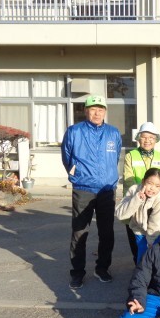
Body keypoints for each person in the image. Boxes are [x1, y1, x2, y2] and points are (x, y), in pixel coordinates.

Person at [61, 95, 122, 289]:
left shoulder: (113, 133)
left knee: (107, 232)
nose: (97, 113)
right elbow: (66, 157)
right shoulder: (74, 131)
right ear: (86, 111)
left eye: (100, 109)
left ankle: (102, 268)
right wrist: (77, 175)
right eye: (93, 109)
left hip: (106, 190)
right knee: (79, 232)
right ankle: (77, 272)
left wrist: (108, 177)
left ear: (105, 111)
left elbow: (116, 156)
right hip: (83, 188)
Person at [122, 121, 160, 264]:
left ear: (156, 140)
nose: (147, 140)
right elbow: (128, 180)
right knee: (136, 240)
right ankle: (138, 266)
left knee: (154, 236)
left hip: (154, 204)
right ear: (138, 138)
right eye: (144, 137)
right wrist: (140, 196)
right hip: (136, 200)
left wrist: (154, 197)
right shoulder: (131, 156)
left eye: (151, 138)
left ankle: (151, 266)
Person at [115, 168, 160, 266]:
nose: (152, 188)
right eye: (150, 183)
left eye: (157, 186)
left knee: (153, 257)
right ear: (143, 181)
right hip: (138, 230)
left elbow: (155, 223)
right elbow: (120, 214)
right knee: (141, 258)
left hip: (155, 233)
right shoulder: (133, 190)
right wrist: (137, 199)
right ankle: (141, 273)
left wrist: (150, 243)